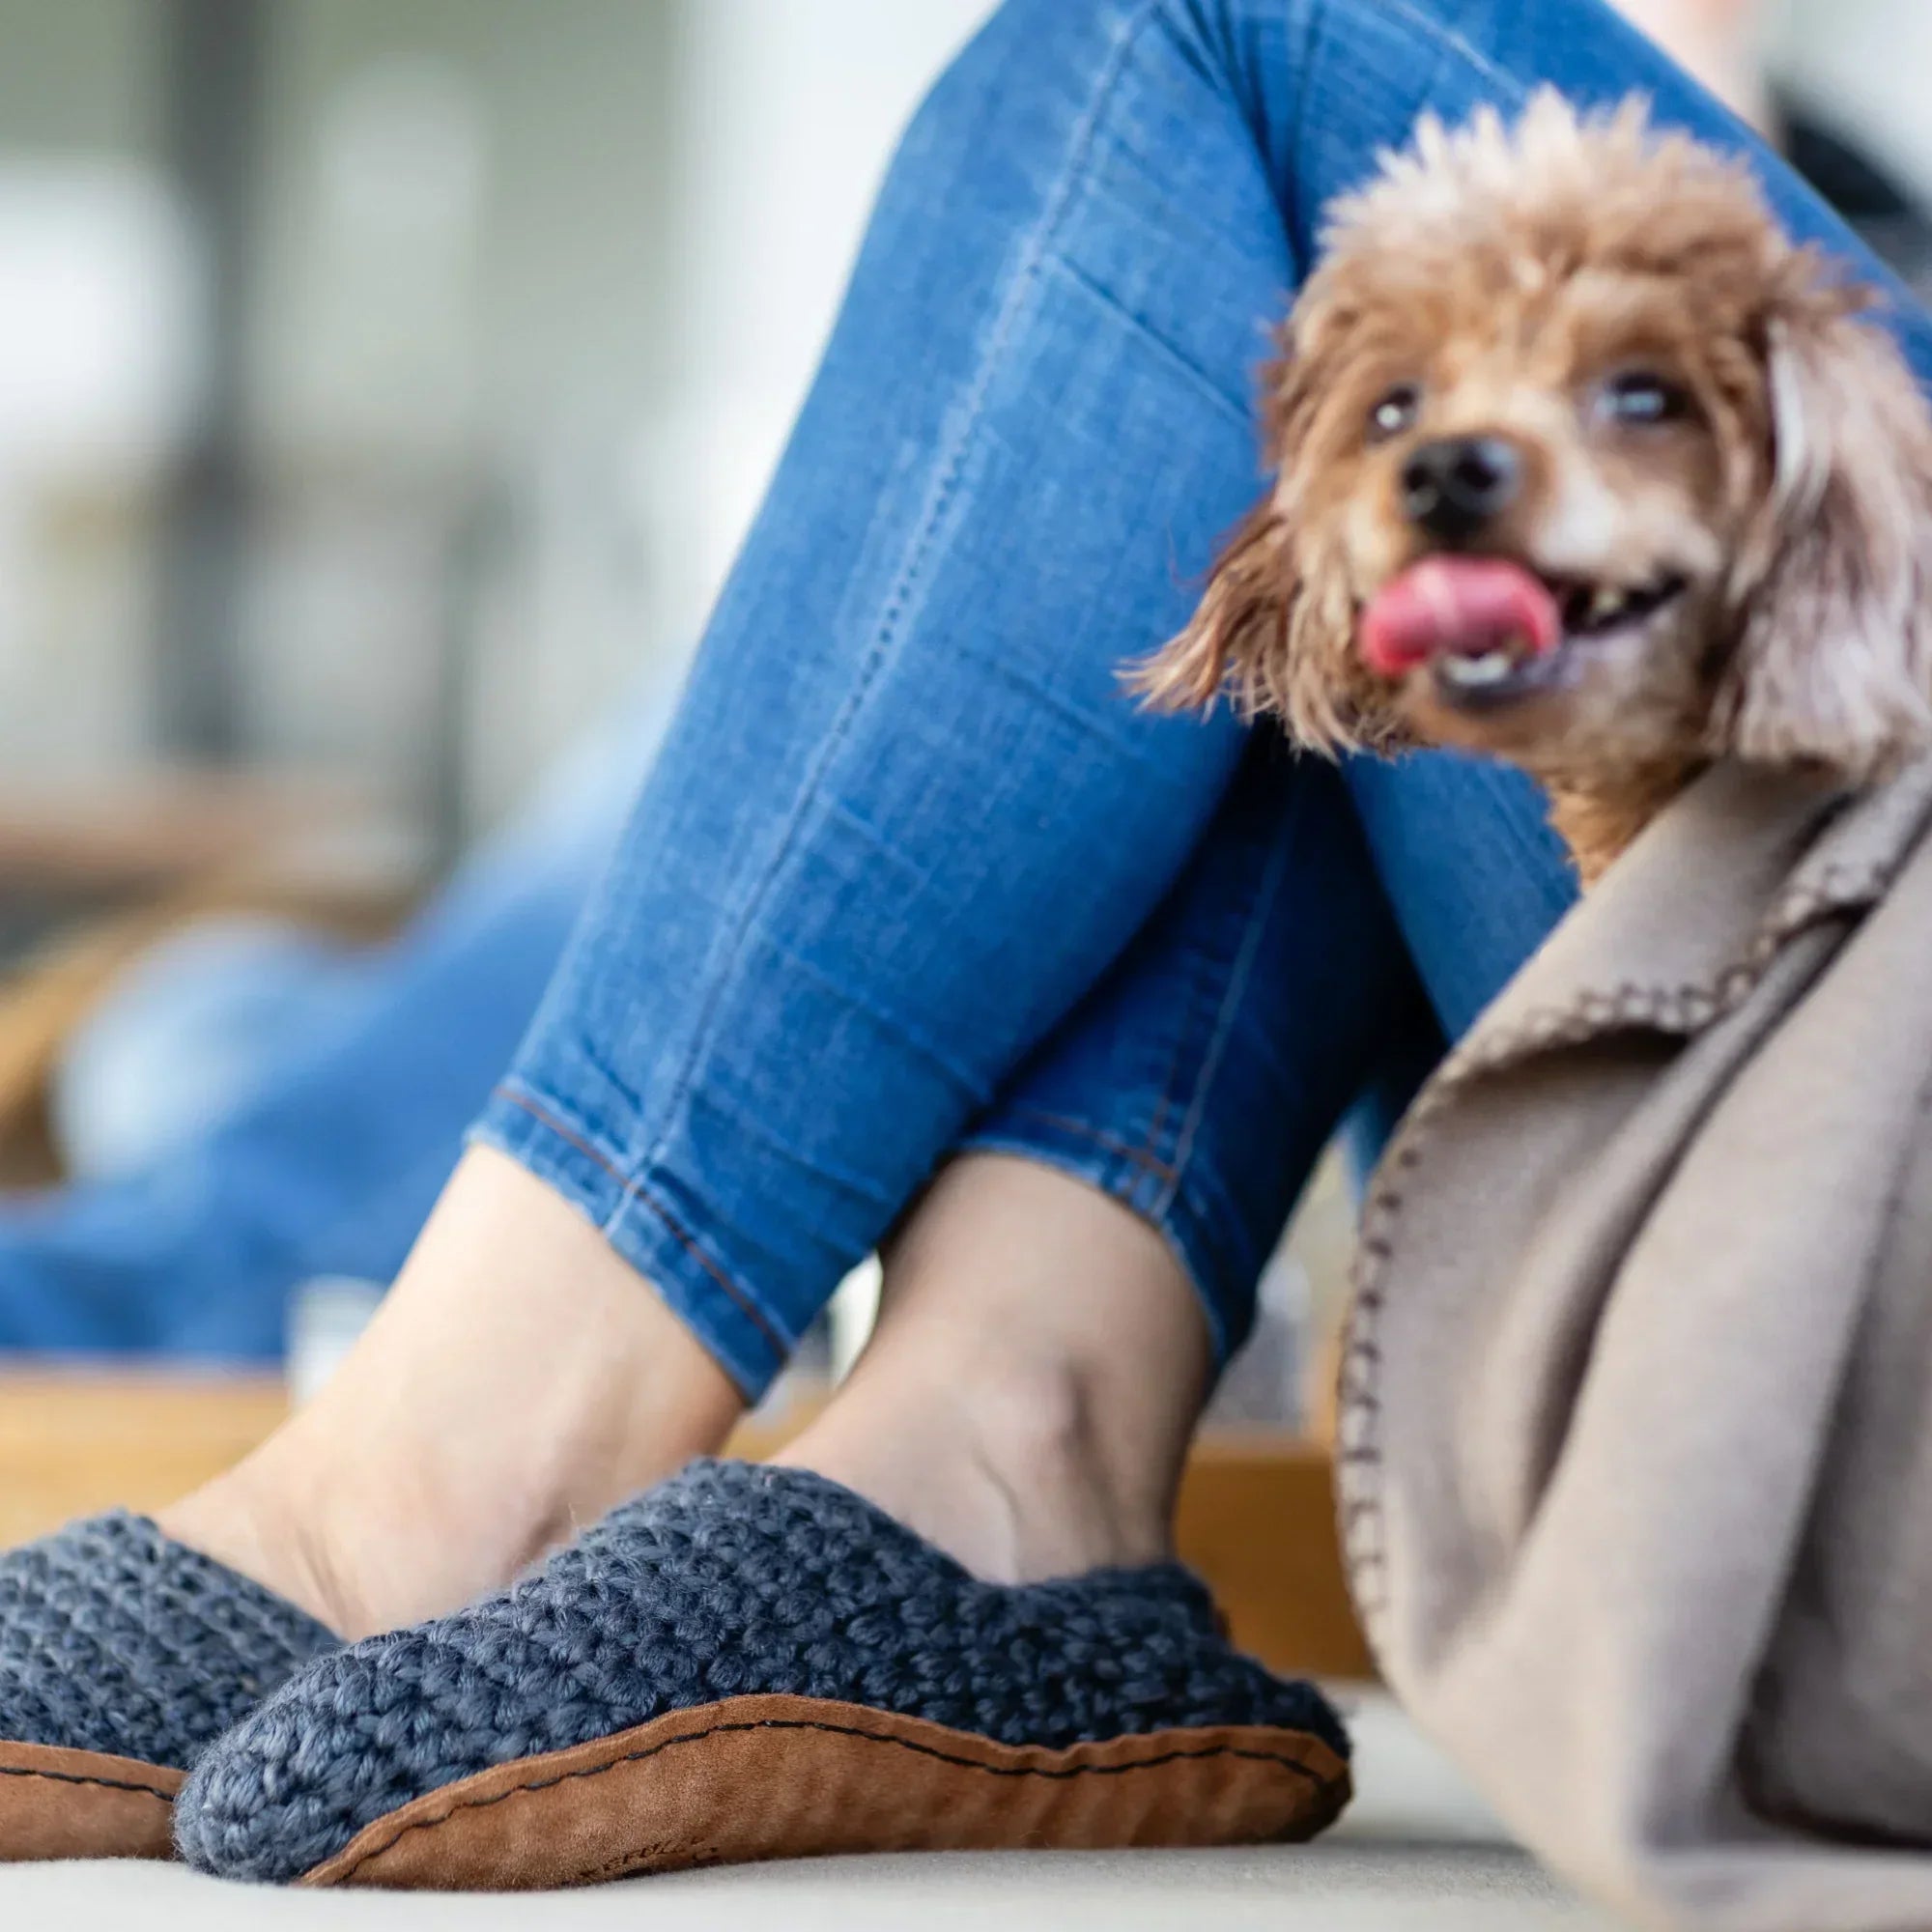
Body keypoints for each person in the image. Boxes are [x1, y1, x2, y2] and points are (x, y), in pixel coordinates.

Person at [0, 0, 1922, 1375]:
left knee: (1165, 49)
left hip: (1797, 933)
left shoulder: (1840, 276)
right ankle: (997, 1415)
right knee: (1079, 574)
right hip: (1478, 931)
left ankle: (311, 1285)